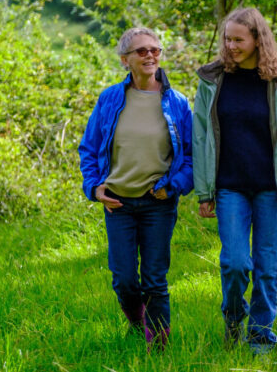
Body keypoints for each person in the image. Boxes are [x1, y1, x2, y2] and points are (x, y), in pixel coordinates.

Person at [192, 7, 277, 355]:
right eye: (227, 39)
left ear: (256, 40)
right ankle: (234, 320)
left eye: (238, 39)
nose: (230, 45)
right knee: (235, 263)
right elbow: (201, 136)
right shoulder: (213, 80)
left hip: (271, 187)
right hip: (230, 186)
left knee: (267, 268)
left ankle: (261, 336)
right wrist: (204, 190)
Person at [78, 27, 193, 351]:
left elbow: (191, 157)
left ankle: (158, 347)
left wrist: (175, 186)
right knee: (124, 279)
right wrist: (94, 187)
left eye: (155, 50)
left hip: (158, 203)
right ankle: (136, 321)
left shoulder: (177, 103)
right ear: (125, 60)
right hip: (119, 204)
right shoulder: (110, 98)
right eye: (141, 51)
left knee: (155, 279)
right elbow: (89, 148)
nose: (150, 56)